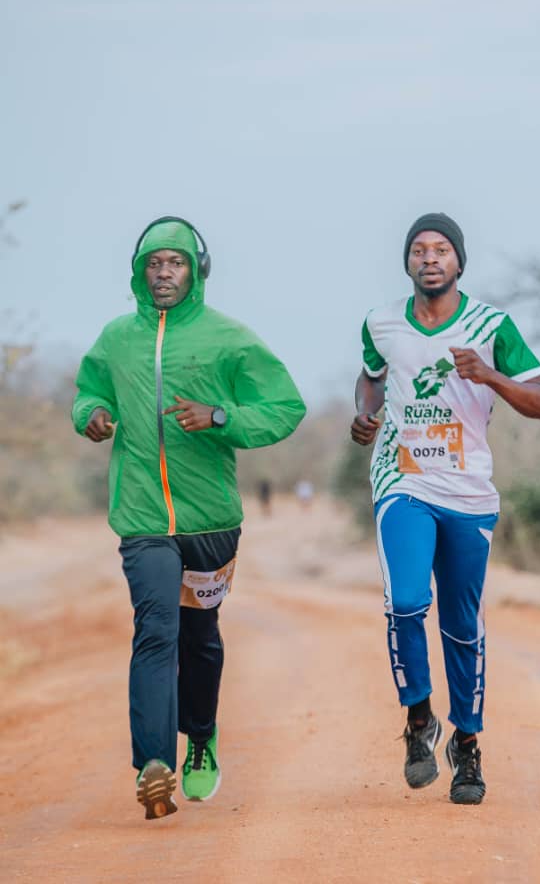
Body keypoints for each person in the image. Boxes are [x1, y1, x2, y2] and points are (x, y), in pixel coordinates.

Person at [72, 217, 306, 821]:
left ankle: (200, 736)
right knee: (157, 630)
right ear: (138, 272)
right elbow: (88, 390)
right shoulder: (117, 337)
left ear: (196, 269)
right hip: (143, 516)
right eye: (154, 264)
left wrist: (222, 417)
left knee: (200, 638)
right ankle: (154, 764)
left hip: (210, 521)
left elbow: (285, 407)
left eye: (175, 263)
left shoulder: (229, 338)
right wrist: (91, 413)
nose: (164, 273)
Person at [350, 212, 540, 805]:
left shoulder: (492, 325)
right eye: (420, 249)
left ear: (459, 262)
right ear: (407, 262)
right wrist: (366, 415)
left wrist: (488, 375)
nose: (430, 258)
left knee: (462, 628)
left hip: (468, 491)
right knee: (406, 600)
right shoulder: (380, 322)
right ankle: (419, 720)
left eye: (442, 250)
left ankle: (467, 745)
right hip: (402, 481)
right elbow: (370, 379)